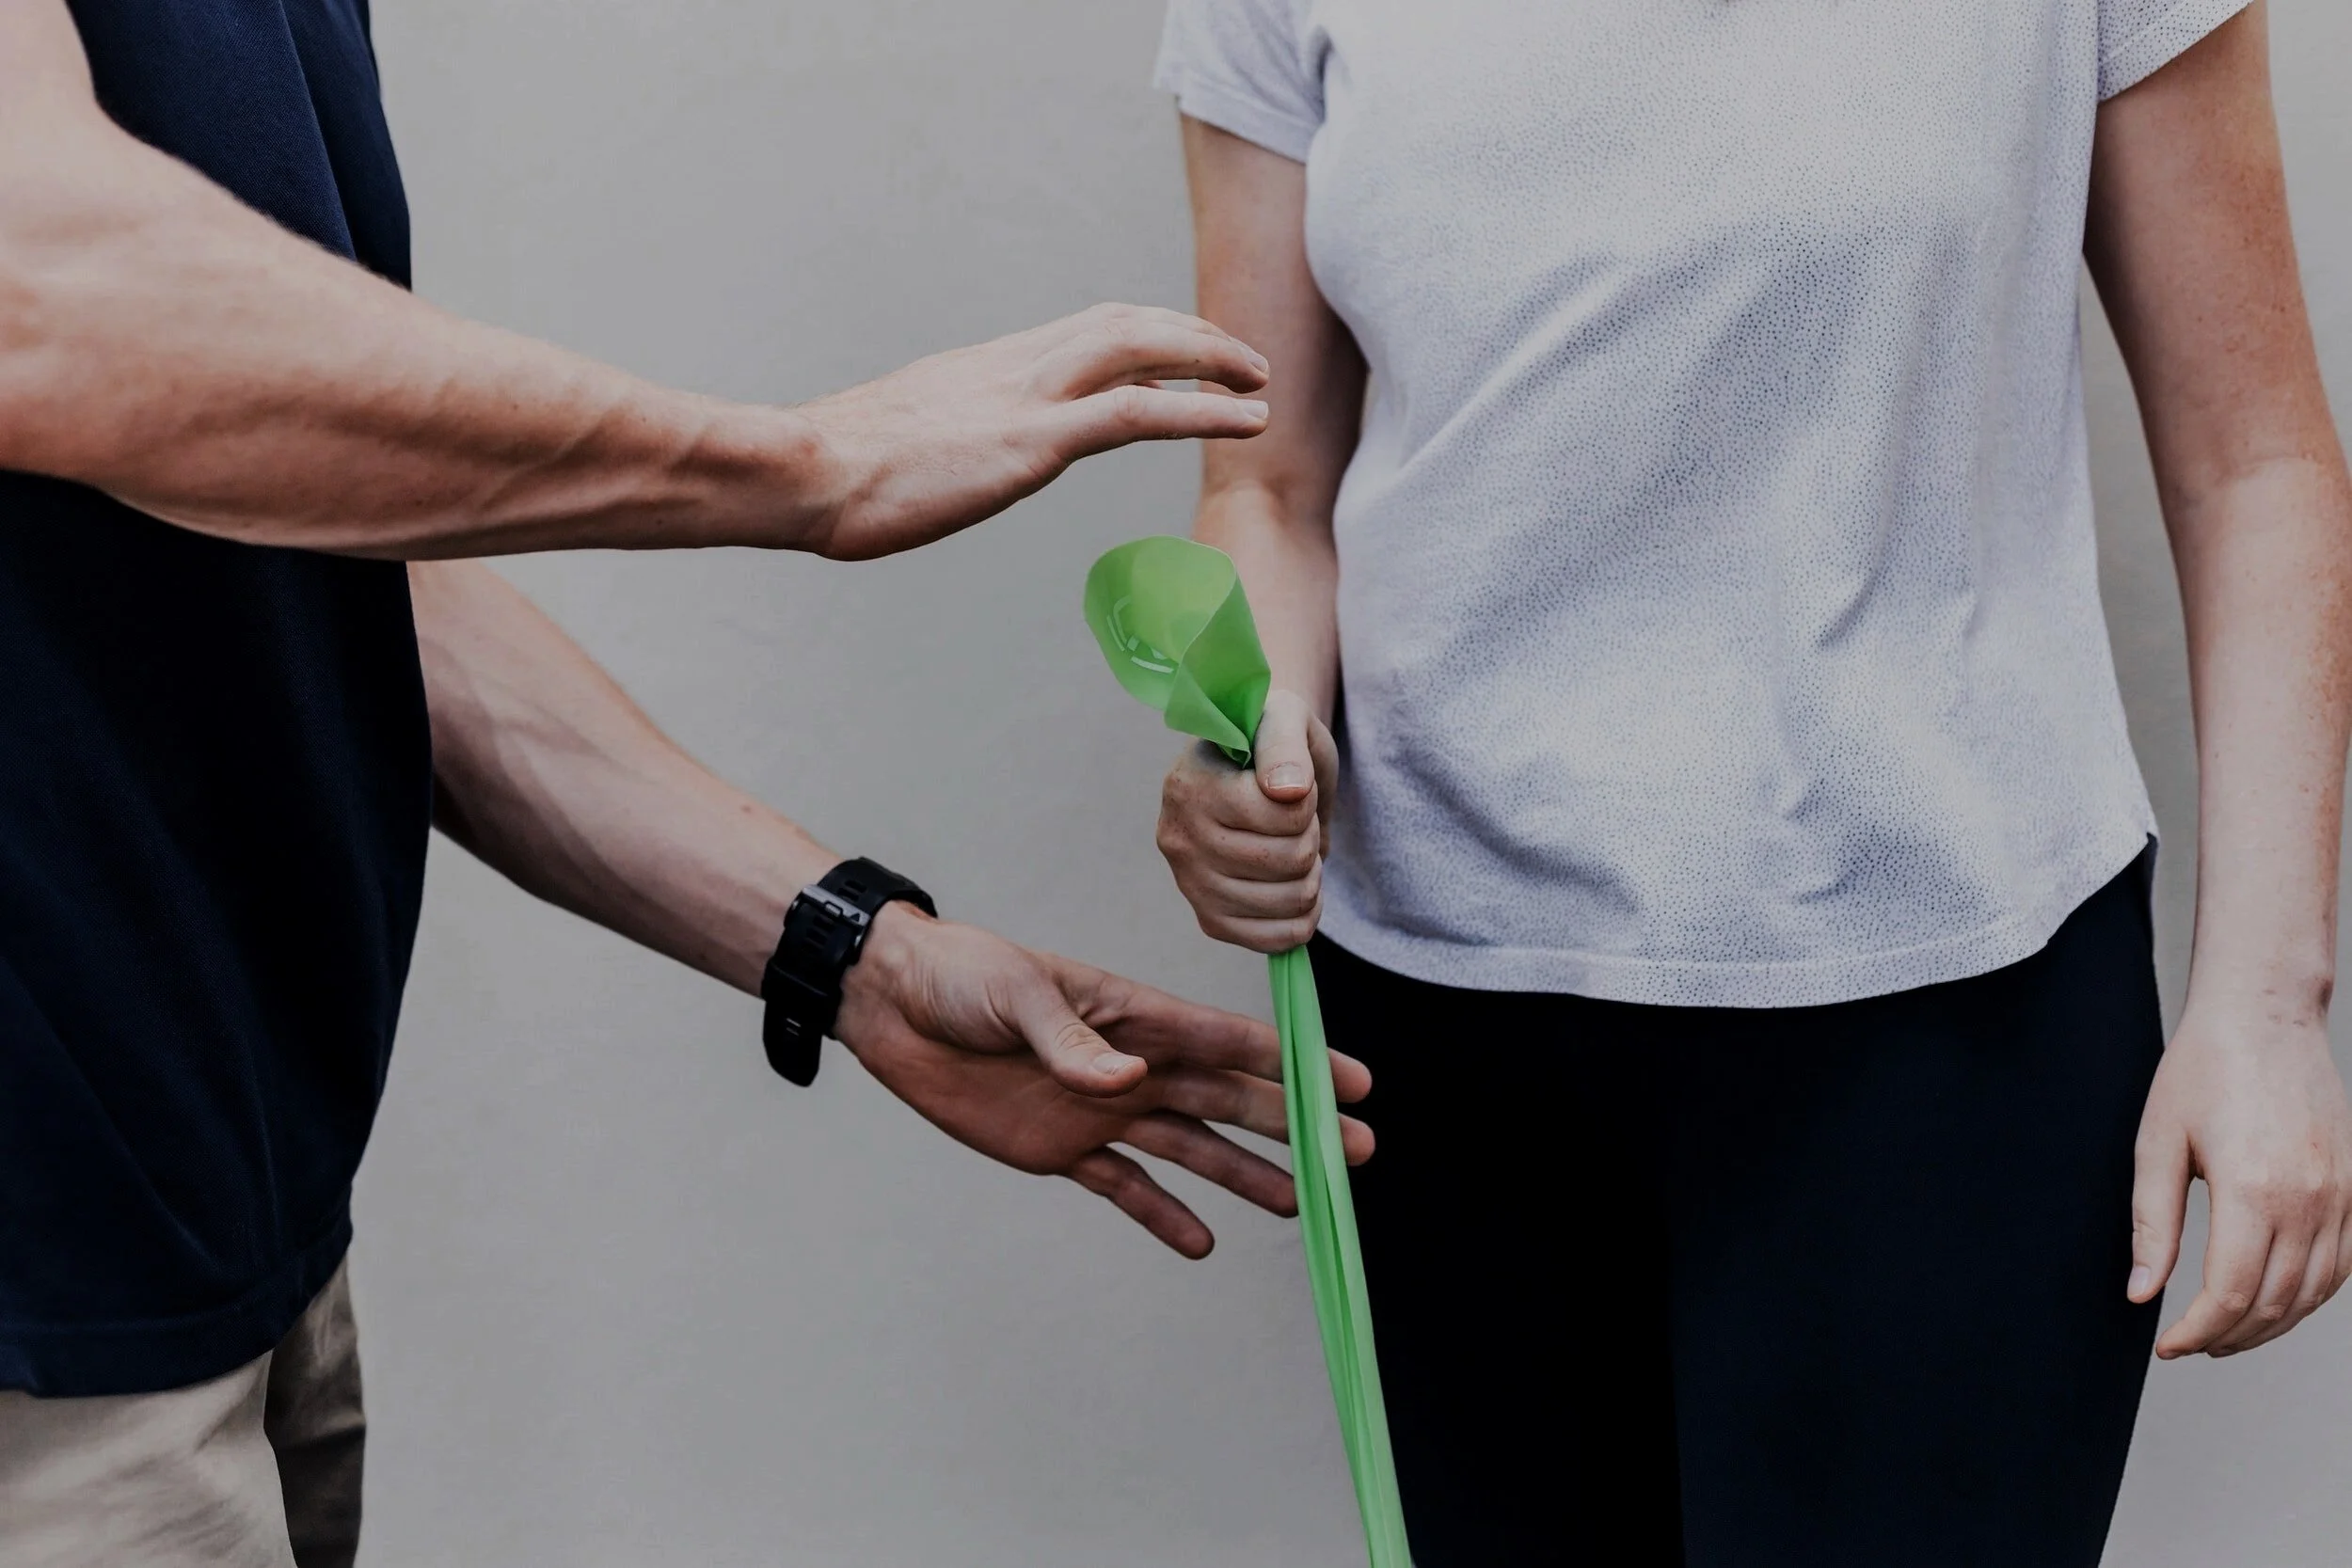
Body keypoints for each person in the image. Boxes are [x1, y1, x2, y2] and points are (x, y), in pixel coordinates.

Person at [0, 1, 1379, 1563]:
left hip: (223, 1230)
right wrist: (802, 465)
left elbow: (318, 556)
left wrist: (848, 945)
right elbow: (47, 301)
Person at [1149, 0, 2352, 1562]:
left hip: (1951, 1021)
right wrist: (1248, 736)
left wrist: (2265, 1005)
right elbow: (1268, 481)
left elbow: (2252, 457)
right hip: (1443, 1042)